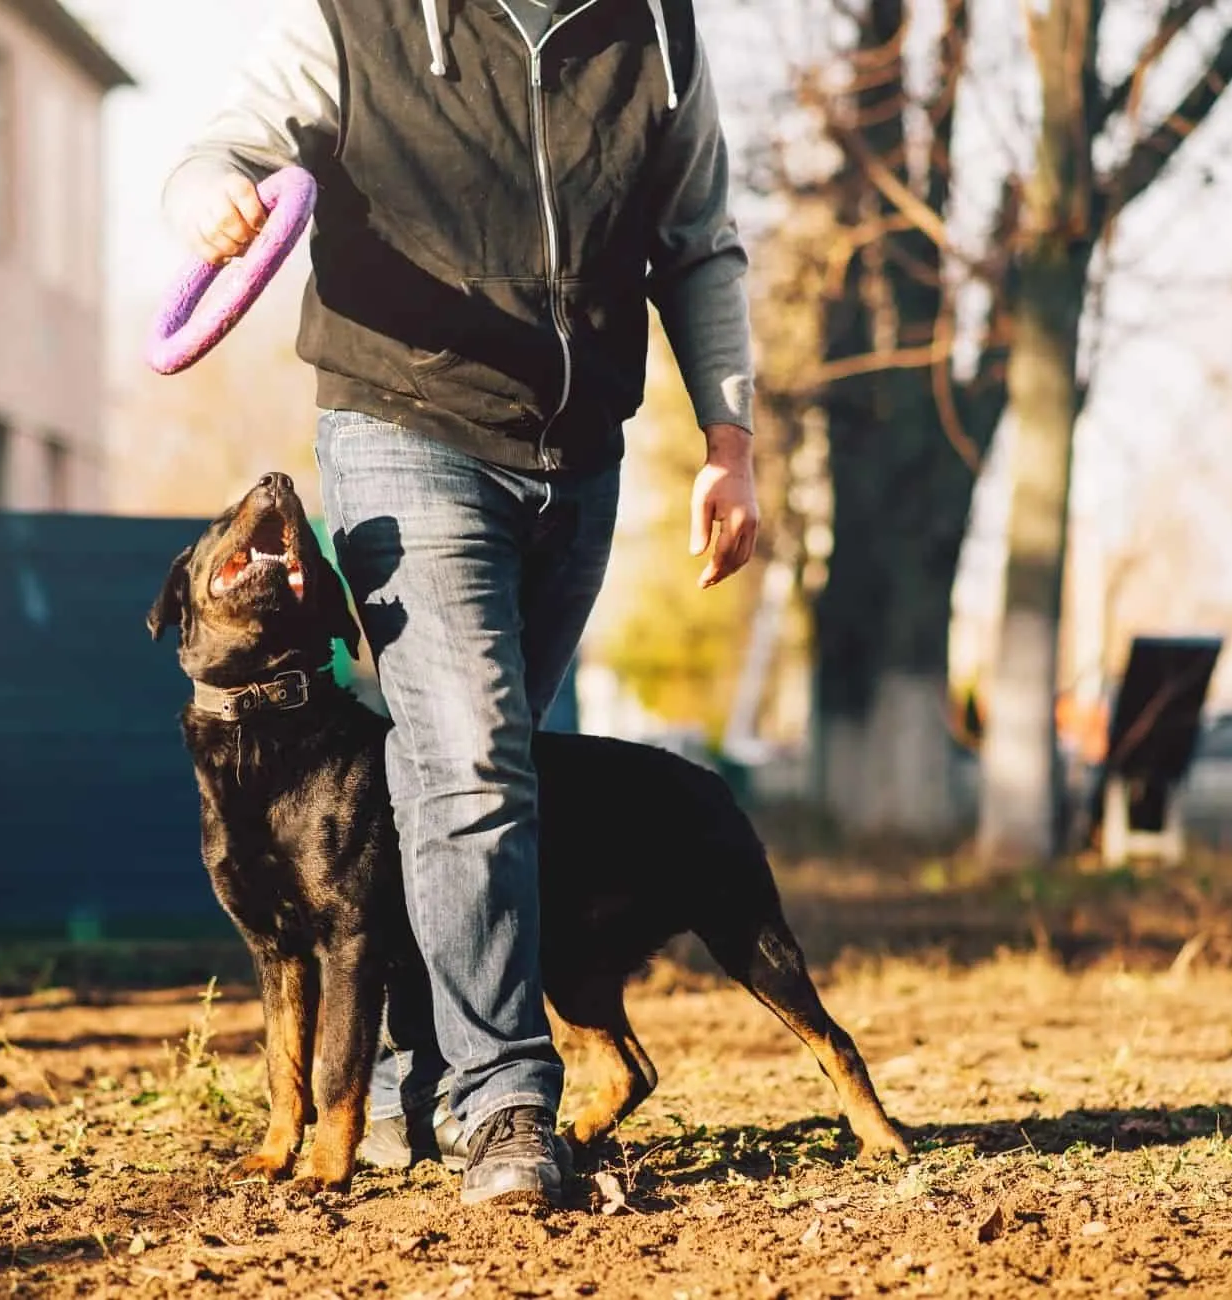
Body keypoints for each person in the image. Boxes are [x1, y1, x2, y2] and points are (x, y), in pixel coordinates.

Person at [161, 0, 758, 1208]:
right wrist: (210, 201)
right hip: (404, 424)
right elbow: (220, 150)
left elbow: (699, 241)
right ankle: (506, 1102)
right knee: (473, 761)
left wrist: (731, 436)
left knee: (464, 783)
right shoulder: (356, 20)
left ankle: (400, 1083)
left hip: (581, 452)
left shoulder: (654, 30)